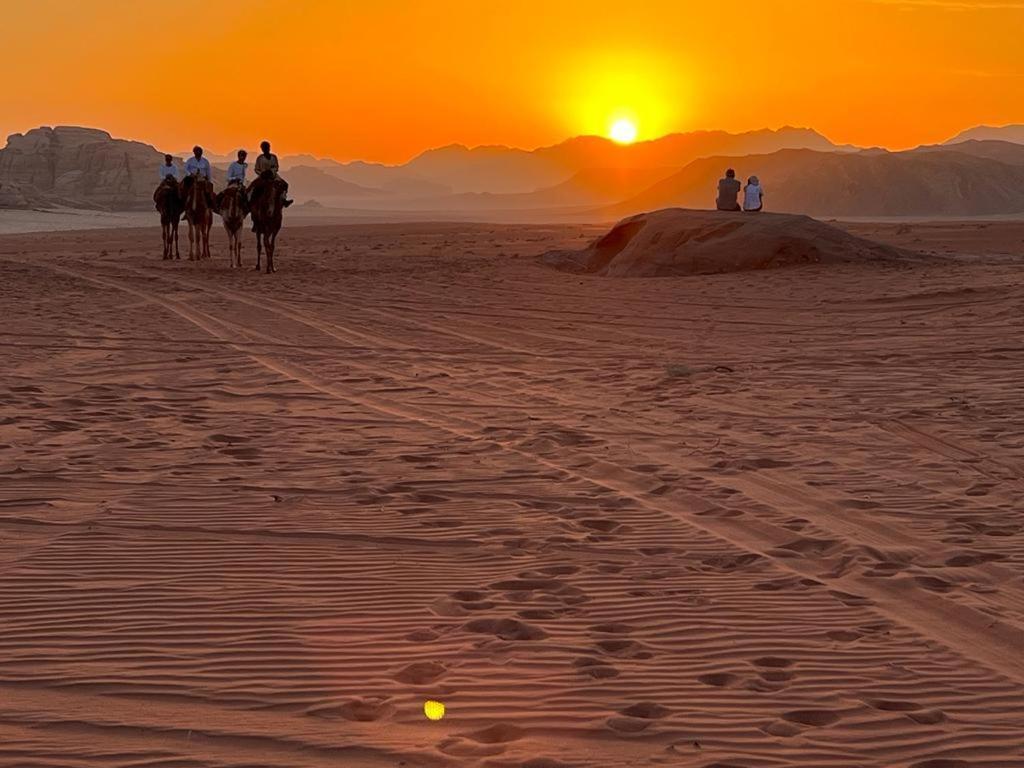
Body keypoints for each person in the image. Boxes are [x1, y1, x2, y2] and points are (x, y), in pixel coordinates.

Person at [253, 140, 293, 207]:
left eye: (267, 147)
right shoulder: (259, 158)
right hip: (262, 176)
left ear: (269, 147)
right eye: (264, 148)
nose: (265, 149)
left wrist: (271, 172)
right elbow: (256, 169)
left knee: (284, 184)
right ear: (262, 149)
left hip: (273, 176)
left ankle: (284, 200)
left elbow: (276, 167)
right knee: (254, 187)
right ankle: (252, 202)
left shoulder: (273, 157)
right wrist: (261, 174)